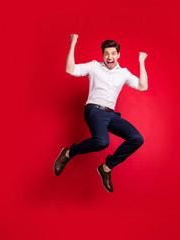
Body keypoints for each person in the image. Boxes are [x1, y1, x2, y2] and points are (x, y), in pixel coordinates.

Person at [54, 34, 148, 193]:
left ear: (118, 55)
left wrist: (141, 61)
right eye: (106, 53)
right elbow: (70, 69)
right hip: (94, 110)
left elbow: (142, 86)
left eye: (112, 53)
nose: (109, 57)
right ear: (102, 55)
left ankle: (106, 167)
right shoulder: (93, 66)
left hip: (111, 115)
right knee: (102, 142)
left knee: (137, 139)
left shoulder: (123, 73)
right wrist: (74, 42)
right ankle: (69, 152)